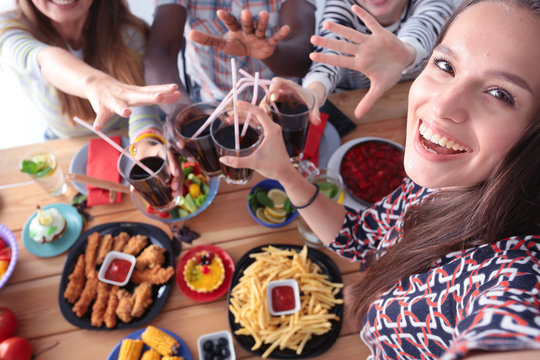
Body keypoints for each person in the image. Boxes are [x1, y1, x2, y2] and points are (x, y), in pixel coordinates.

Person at [220, 0, 540, 358]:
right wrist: (282, 170)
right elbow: (361, 237)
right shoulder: (433, 183)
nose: (442, 107)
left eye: (500, 94)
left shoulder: (514, 270)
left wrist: (408, 51)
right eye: (445, 65)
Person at [0, 0, 180, 142]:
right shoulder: (9, 26)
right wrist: (94, 83)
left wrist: (145, 142)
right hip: (64, 145)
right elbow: (42, 59)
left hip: (126, 139)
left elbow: (139, 103)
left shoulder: (129, 32)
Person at [144, 0, 316, 118]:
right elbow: (160, 51)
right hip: (211, 106)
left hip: (281, 103)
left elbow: (302, 59)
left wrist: (270, 52)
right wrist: (179, 108)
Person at [304, 0, 455, 119]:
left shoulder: (434, 4)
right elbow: (327, 59)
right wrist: (313, 92)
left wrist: (407, 51)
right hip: (349, 107)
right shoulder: (340, 6)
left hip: (405, 108)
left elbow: (424, 27)